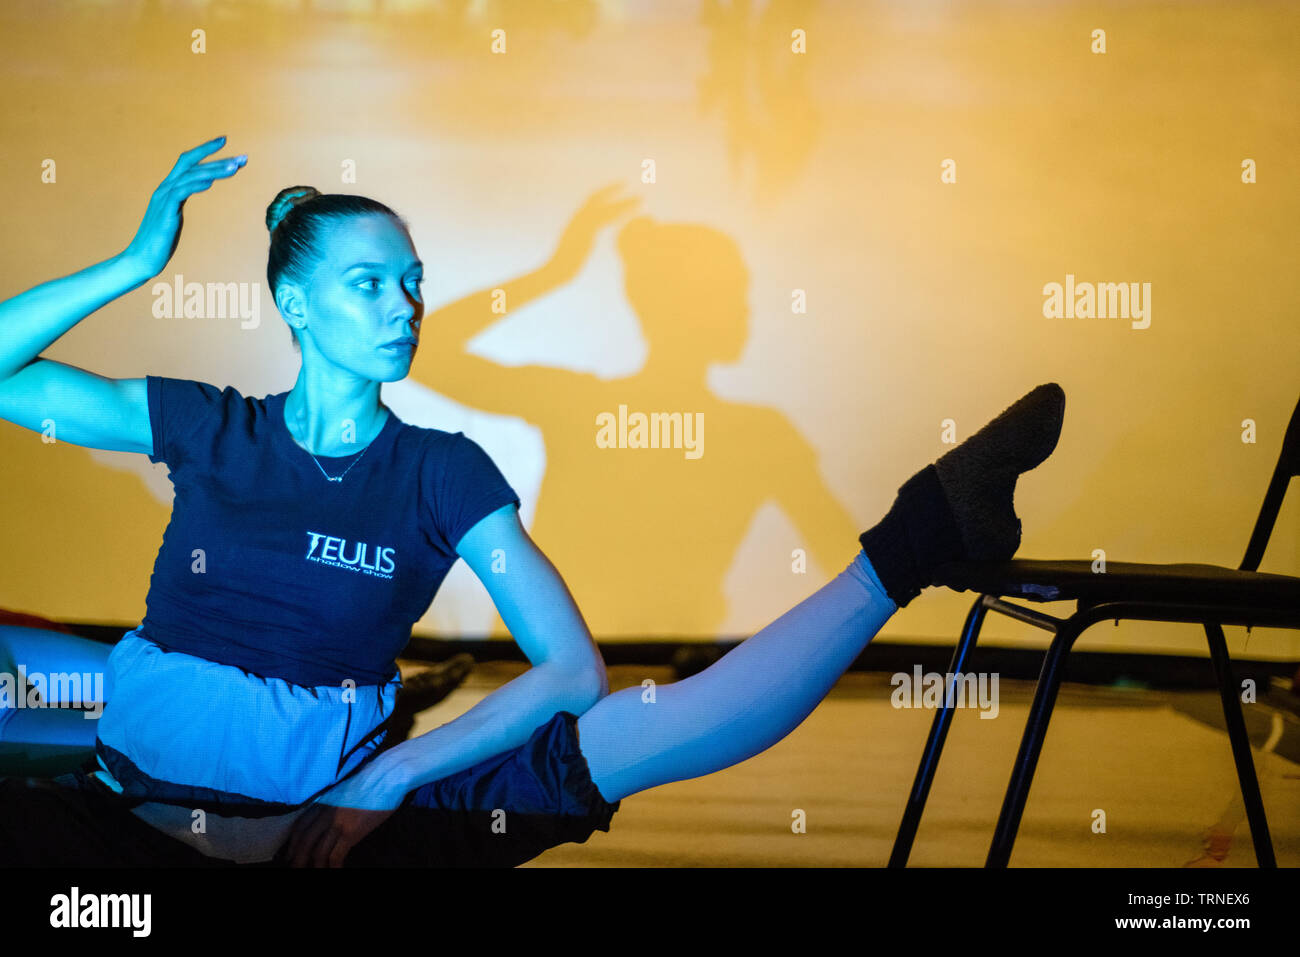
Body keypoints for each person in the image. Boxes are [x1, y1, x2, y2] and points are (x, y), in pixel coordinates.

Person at [0, 136, 1067, 867]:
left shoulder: (440, 468)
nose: (404, 306)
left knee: (647, 728)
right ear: (293, 302)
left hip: (340, 830)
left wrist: (389, 783)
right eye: (369, 283)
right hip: (129, 834)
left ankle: (923, 532)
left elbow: (572, 670)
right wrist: (139, 259)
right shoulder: (208, 423)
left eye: (413, 281)